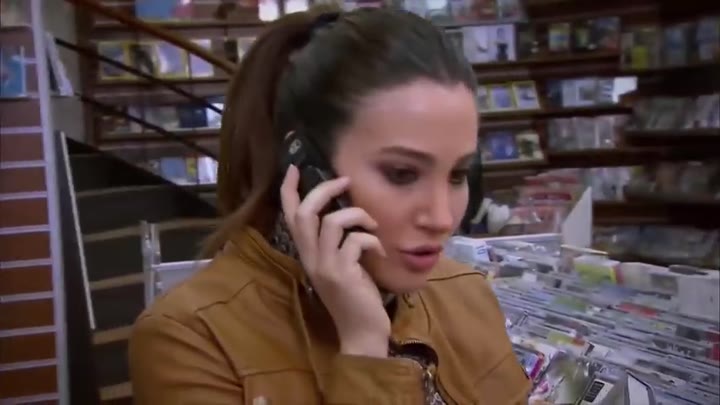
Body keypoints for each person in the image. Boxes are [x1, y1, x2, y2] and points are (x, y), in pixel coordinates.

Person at [129, 6, 531, 404]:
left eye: (458, 175)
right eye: (402, 174)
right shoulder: (191, 338)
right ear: (306, 168)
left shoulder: (466, 293)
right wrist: (365, 349)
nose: (442, 218)